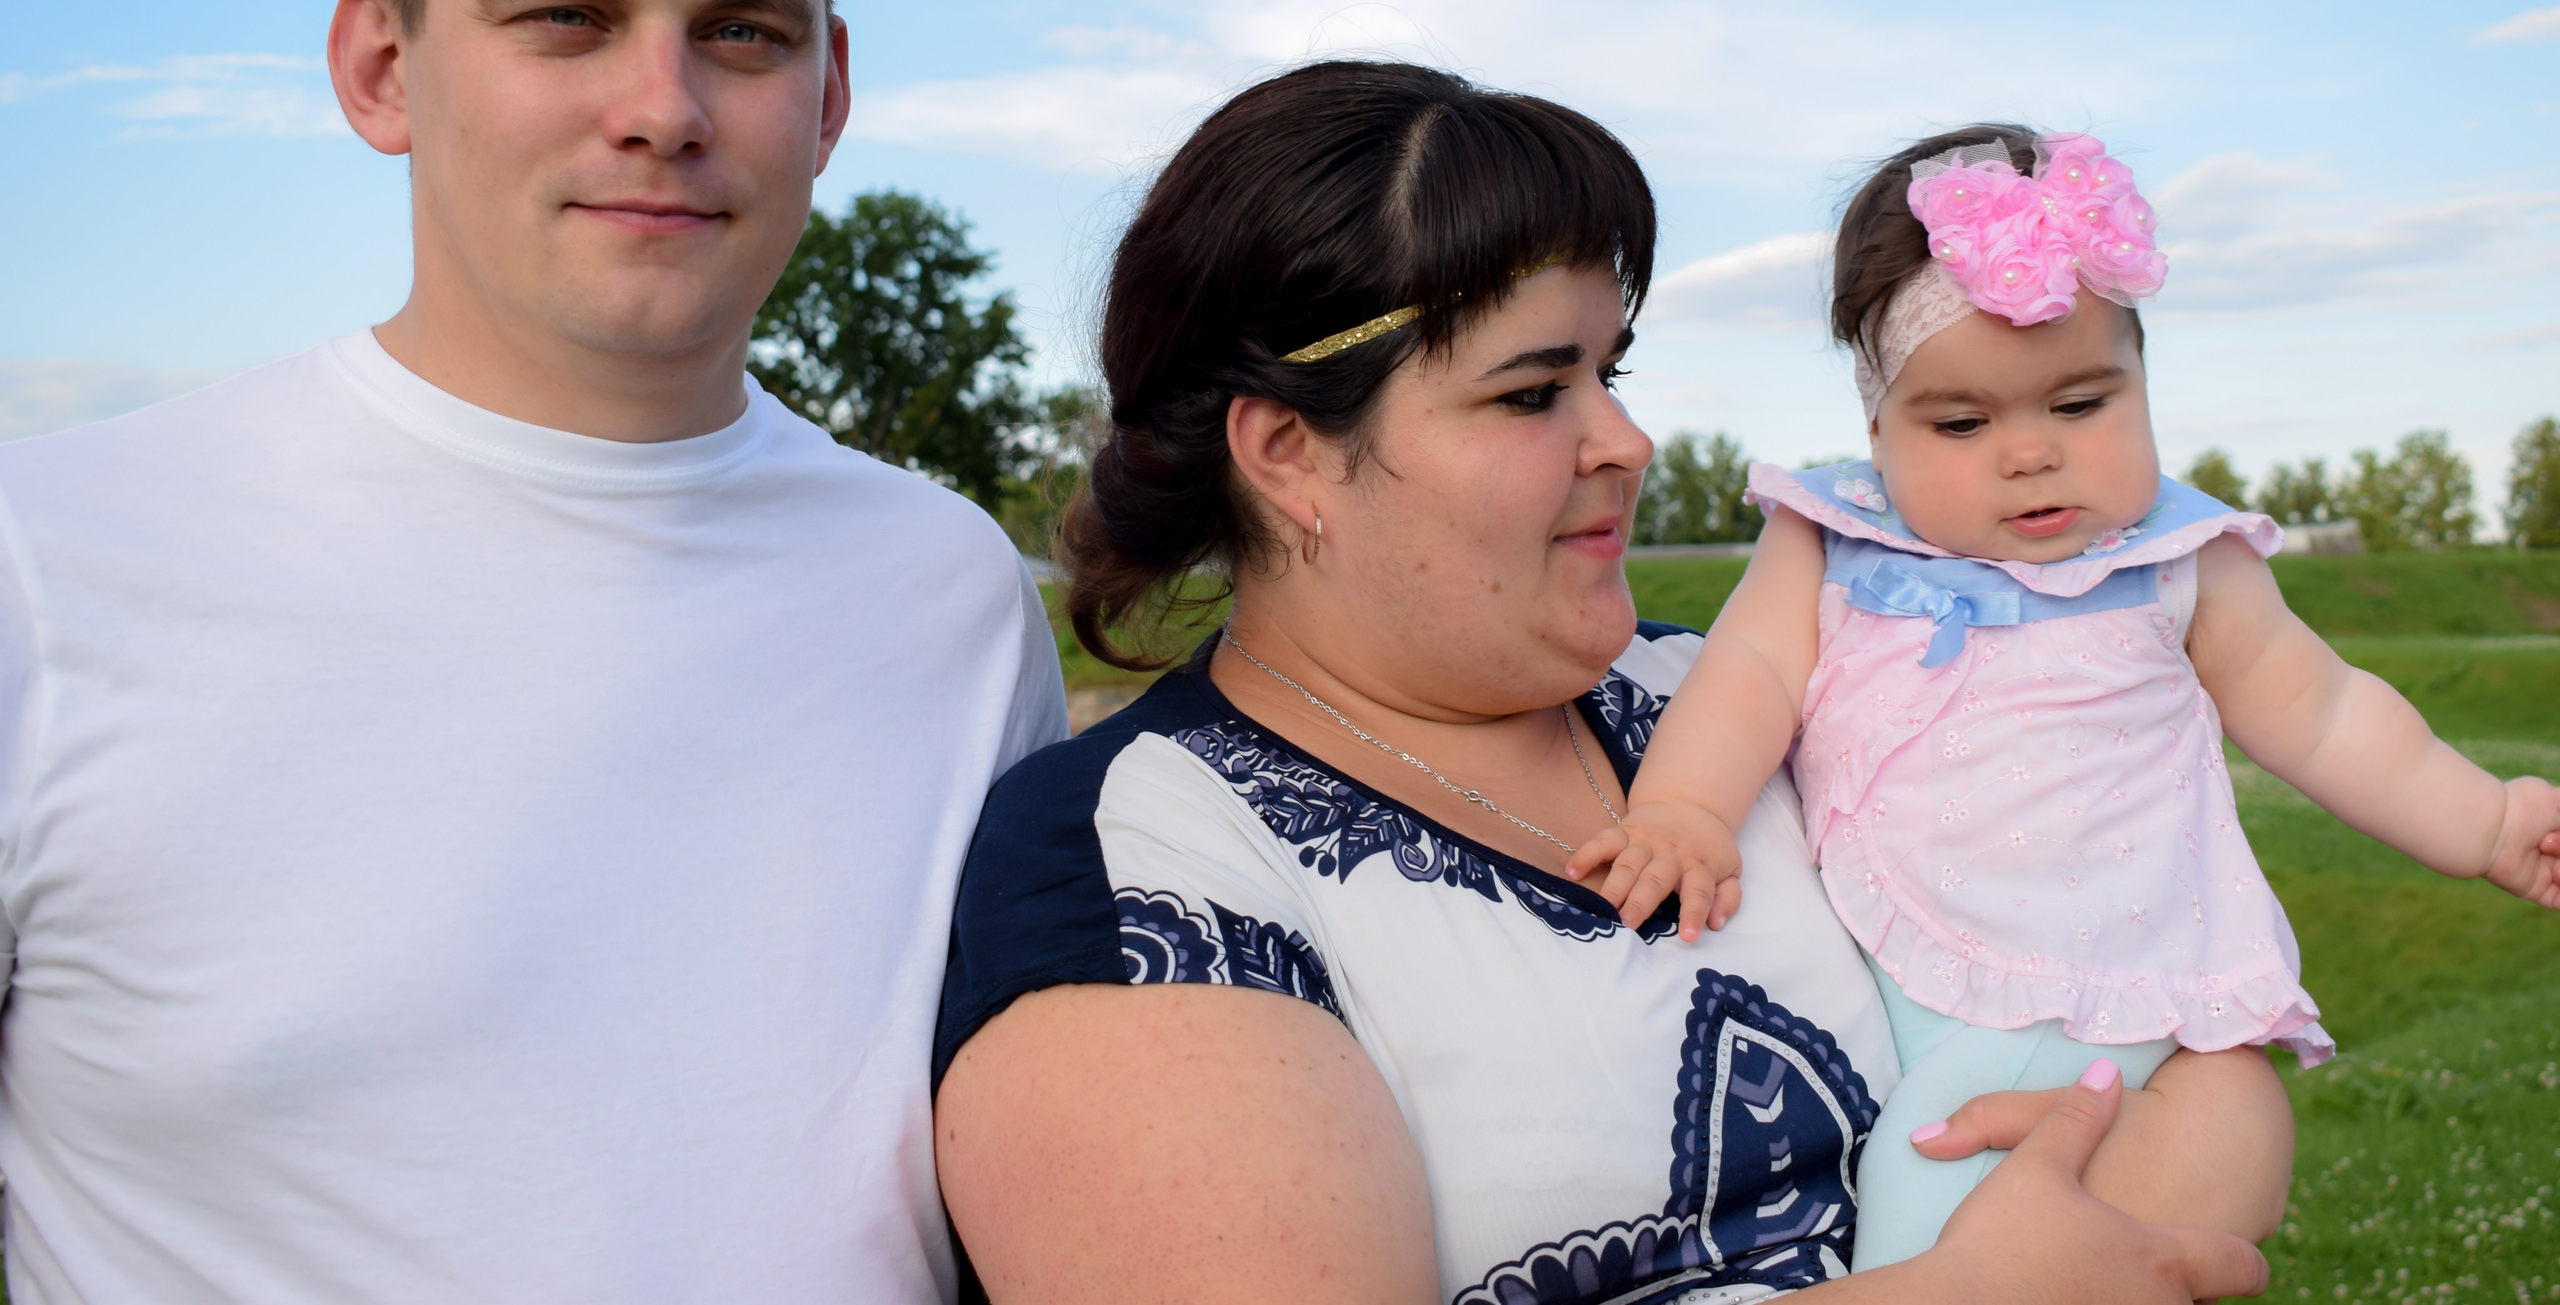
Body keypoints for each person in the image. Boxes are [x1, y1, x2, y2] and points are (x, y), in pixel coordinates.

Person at [0, 0, 1064, 1303]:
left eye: (746, 30)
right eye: (565, 16)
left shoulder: (951, 593)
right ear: (381, 64)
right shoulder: (45, 562)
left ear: (829, 91)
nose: (663, 104)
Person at [931, 63, 2289, 1304]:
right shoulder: (1139, 863)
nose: (1628, 440)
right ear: (1288, 451)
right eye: (1534, 392)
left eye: (1611, 368)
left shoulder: (1752, 697)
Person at [1563, 125, 2560, 1269]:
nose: (2028, 454)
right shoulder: (1829, 538)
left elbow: (2326, 714)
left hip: (2116, 989)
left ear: (2142, 381)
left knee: (1934, 1199)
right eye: (1962, 424)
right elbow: (1748, 675)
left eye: (2079, 406)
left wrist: (2484, 821)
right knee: (1957, 1199)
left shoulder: (2178, 558)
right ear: (1875, 426)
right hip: (1928, 983)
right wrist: (1685, 806)